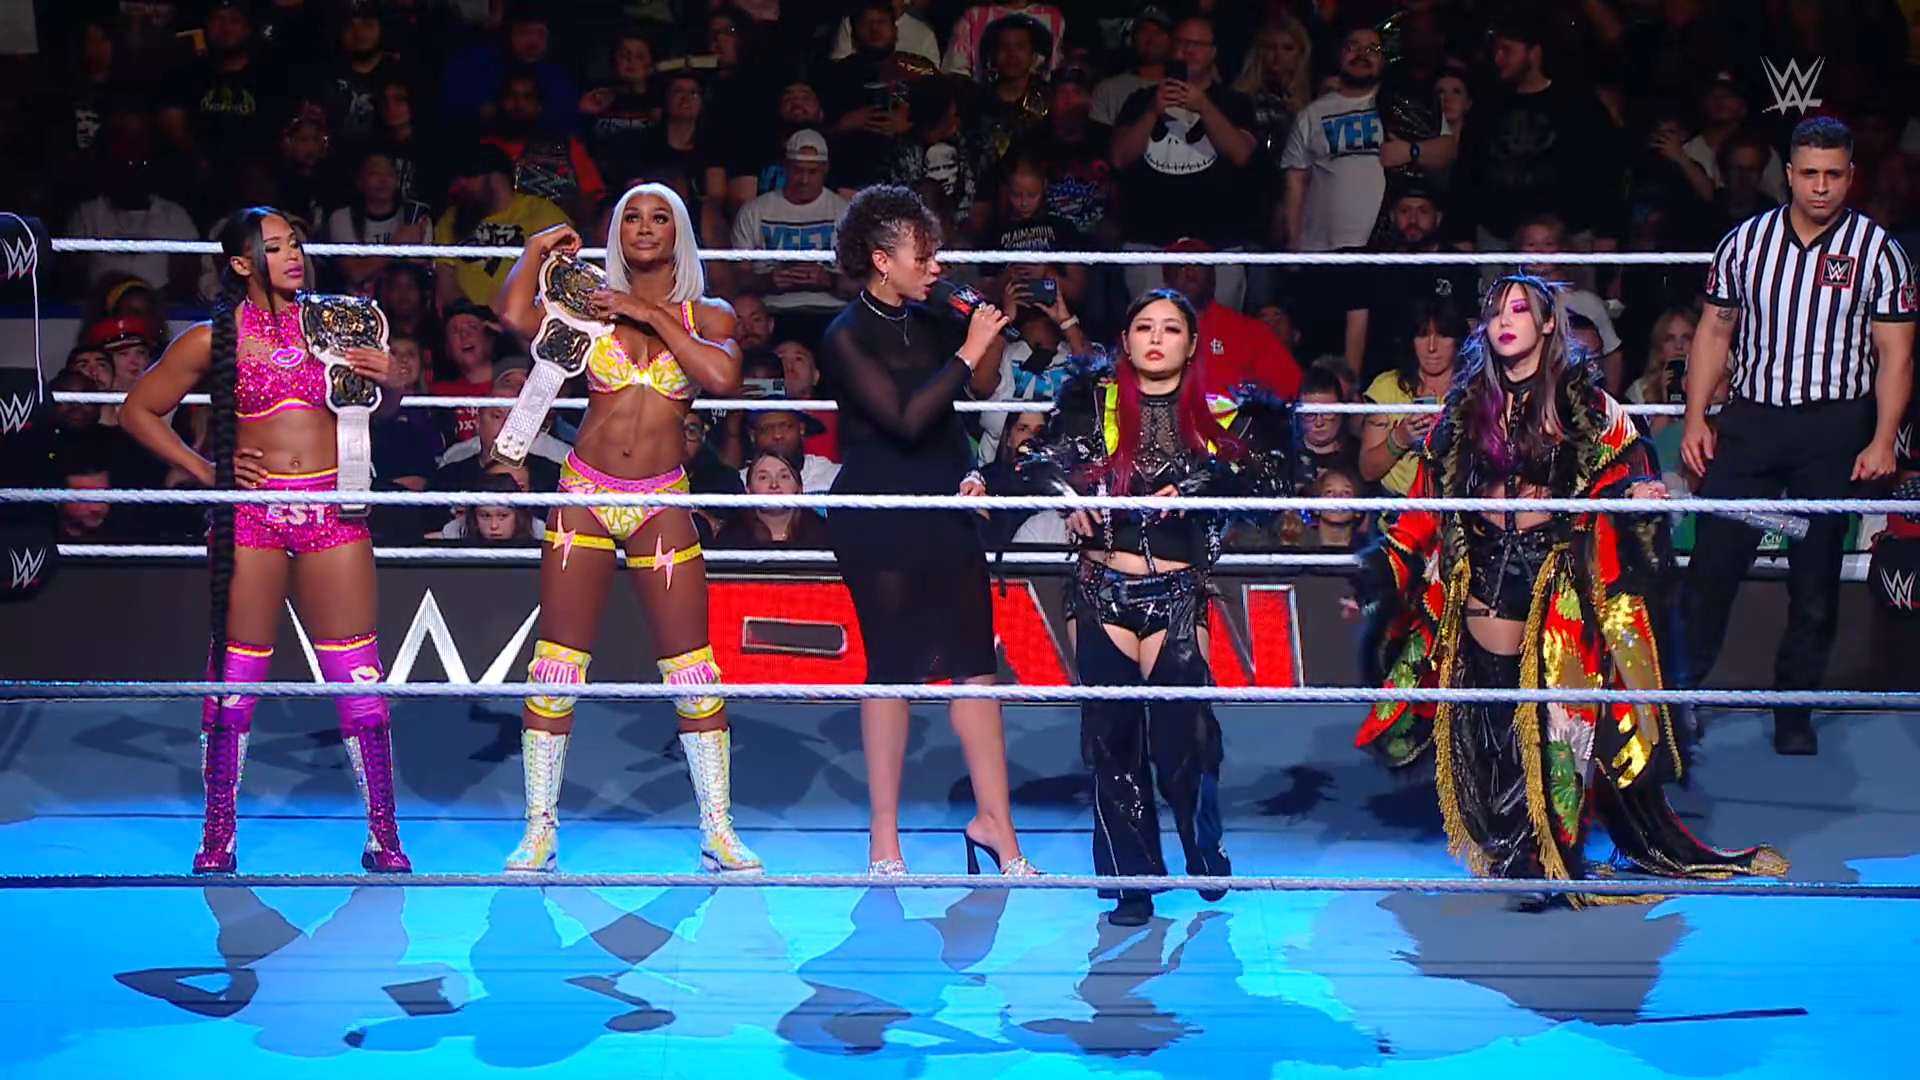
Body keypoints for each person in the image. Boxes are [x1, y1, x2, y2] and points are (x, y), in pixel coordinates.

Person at [1354, 274, 1787, 908]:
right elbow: (1428, 499)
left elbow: (1627, 473)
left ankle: (1543, 852)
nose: (1506, 321)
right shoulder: (1464, 408)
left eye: (1519, 309)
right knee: (1493, 715)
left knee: (1556, 724)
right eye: (1496, 311)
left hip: (1555, 580)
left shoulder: (1590, 406)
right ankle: (1515, 844)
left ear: (1548, 323)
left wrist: (1635, 495)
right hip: (1482, 572)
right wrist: (1384, 565)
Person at [120, 207, 412, 875]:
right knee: (236, 676)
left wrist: (394, 382)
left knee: (357, 674)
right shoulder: (214, 337)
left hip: (333, 508)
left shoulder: (338, 322)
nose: (292, 256)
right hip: (249, 515)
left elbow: (377, 413)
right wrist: (208, 471)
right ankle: (218, 834)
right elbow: (137, 409)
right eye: (274, 247)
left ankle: (384, 833)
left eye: (296, 244)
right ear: (240, 262)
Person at [493, 184, 760, 874]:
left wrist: (647, 311)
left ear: (679, 233)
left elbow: (721, 378)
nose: (644, 228)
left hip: (661, 498)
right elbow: (513, 314)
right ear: (616, 232)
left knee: (693, 668)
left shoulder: (712, 313)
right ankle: (539, 829)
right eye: (631, 218)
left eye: (659, 217)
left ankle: (718, 829)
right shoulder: (588, 304)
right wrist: (536, 249)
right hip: (585, 491)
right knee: (555, 664)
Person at [1007, 287, 1293, 926]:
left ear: (1192, 346)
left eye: (1170, 328)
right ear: (1126, 342)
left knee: (1183, 743)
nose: (1156, 337)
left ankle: (1202, 845)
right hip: (1100, 588)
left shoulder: (1223, 417)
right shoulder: (1091, 405)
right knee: (1110, 743)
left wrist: (1198, 485)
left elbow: (1272, 479)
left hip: (1179, 593)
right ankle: (1131, 879)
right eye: (1144, 327)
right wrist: (1066, 497)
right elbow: (1030, 459)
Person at [820, 184, 1039, 878]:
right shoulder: (844, 335)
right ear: (882, 260)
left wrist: (985, 332)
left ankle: (997, 827)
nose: (936, 267)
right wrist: (968, 349)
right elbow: (906, 419)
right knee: (892, 666)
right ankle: (884, 838)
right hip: (878, 514)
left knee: (975, 662)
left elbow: (978, 388)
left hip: (947, 503)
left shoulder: (934, 315)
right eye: (924, 257)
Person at [1680, 116, 1915, 756]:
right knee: (1712, 566)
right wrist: (1697, 416)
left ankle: (1793, 710)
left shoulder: (1878, 251)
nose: (1820, 187)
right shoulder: (1745, 243)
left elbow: (1896, 355)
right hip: (1753, 422)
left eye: (1833, 174)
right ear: (1788, 173)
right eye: (1809, 173)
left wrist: (1883, 438)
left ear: (1851, 176)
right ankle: (1677, 699)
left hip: (1833, 430)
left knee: (1814, 580)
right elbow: (1713, 333)